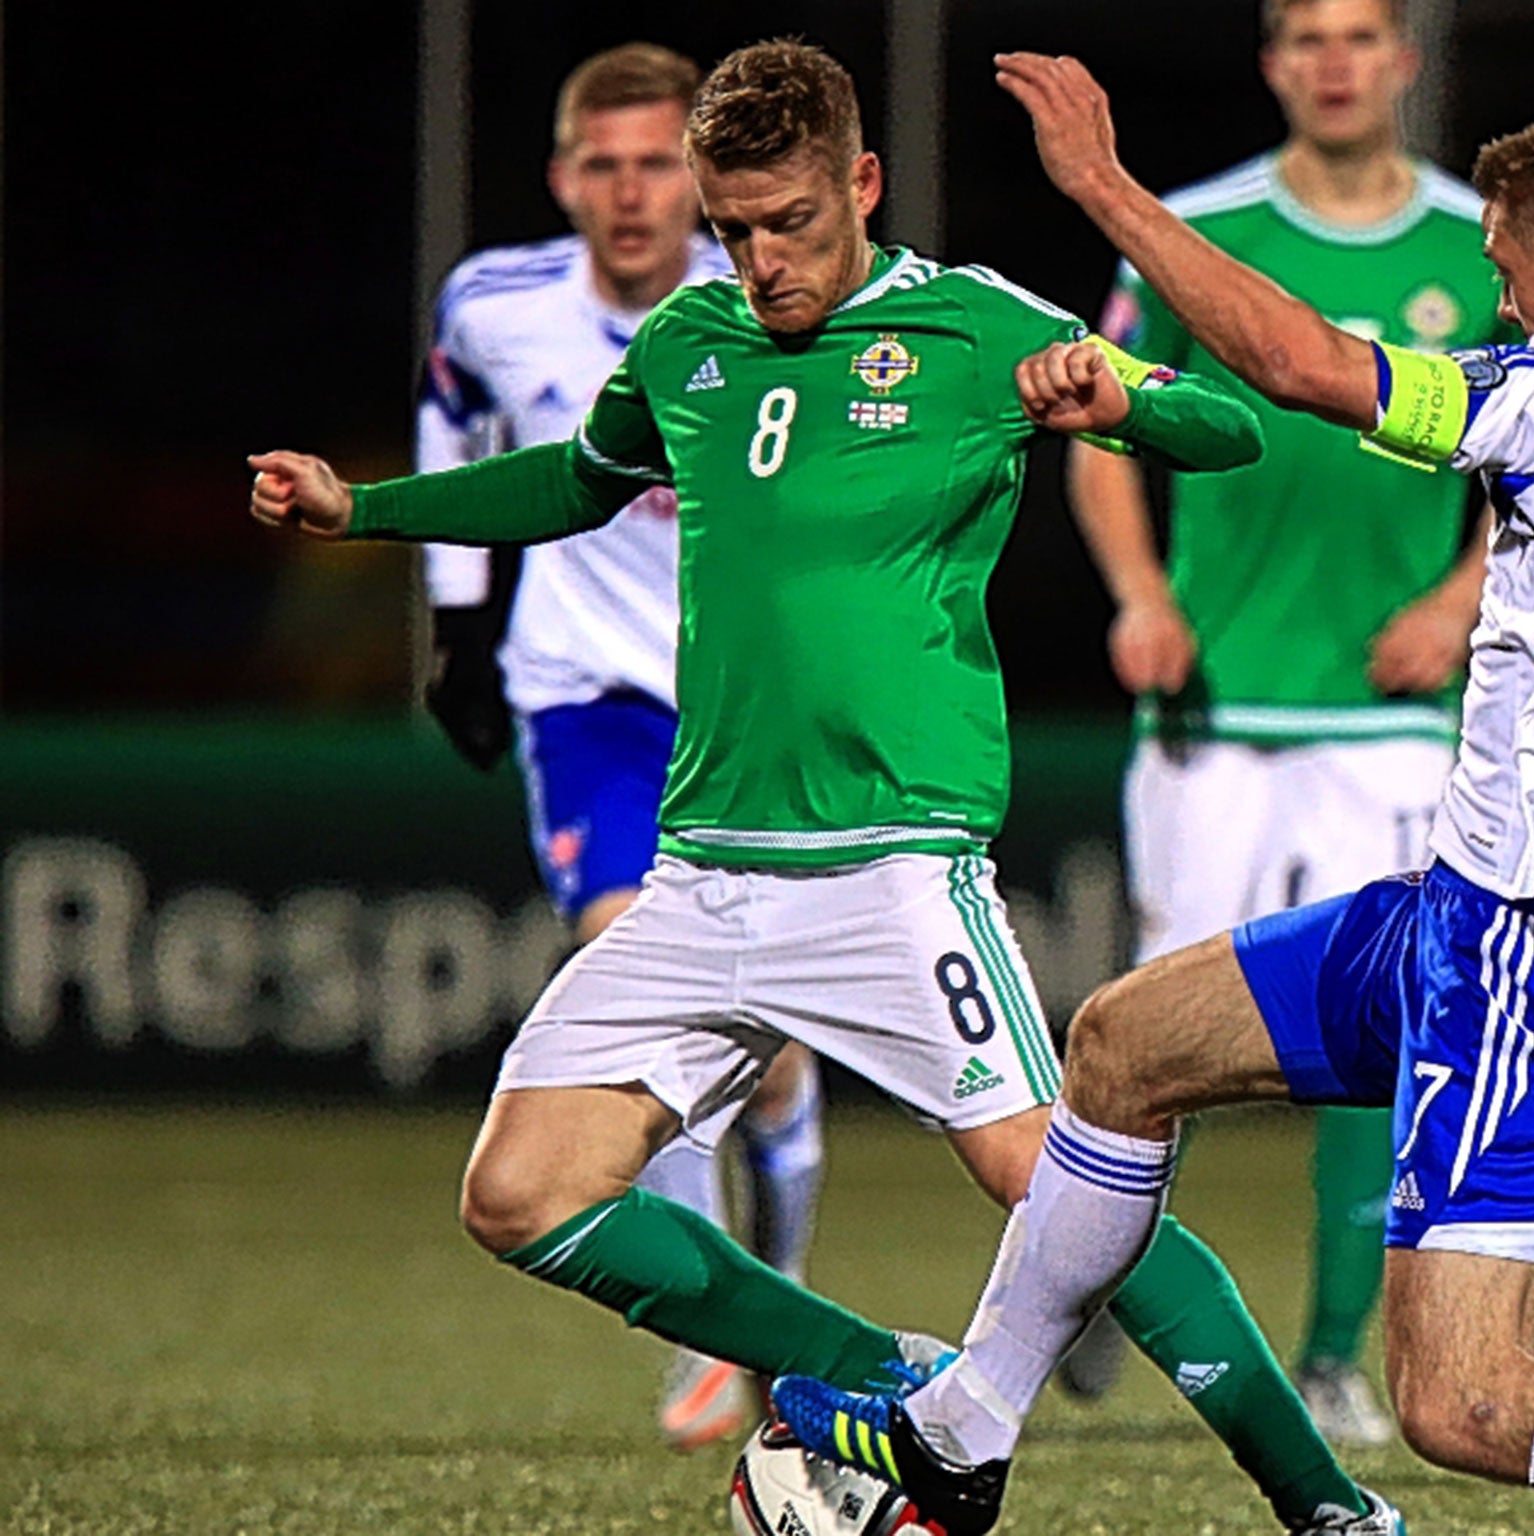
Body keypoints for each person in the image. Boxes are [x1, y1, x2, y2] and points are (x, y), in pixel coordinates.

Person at [767, 56, 1534, 1536]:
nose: (1498, 302)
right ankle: (964, 1432)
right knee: (1122, 1047)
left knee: (1462, 1401)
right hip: (1462, 913)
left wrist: (1102, 189)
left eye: (1511, 269)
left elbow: (1296, 365)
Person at [250, 39, 1404, 1536]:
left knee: (1074, 1202)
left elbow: (1231, 426)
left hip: (892, 875)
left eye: (787, 221)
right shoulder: (689, 343)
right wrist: (366, 513)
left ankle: (1326, 1505)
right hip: (703, 873)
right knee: (520, 1192)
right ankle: (883, 1375)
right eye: (730, 228)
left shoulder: (978, 327)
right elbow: (570, 483)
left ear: (861, 185)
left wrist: (1108, 400)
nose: (759, 258)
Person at [1058, 0, 1505, 1434]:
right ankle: (1088, 1292)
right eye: (1306, 35)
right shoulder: (1198, 228)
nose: (1333, 58)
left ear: (1401, 62)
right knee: (1146, 1036)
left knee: (1397, 1027)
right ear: (1272, 64)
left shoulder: (1474, 241)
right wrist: (1138, 590)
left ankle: (1329, 1353)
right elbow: (1101, 419)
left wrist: (1463, 598)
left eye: (1360, 33)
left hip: (1394, 714)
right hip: (1216, 708)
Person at [414, 41, 828, 1451]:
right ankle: (710, 1347)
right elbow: (456, 411)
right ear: (563, 178)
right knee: (631, 956)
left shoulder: (763, 310)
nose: (632, 192)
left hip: (746, 709)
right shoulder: (496, 304)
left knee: (770, 1064)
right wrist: (461, 628)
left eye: (660, 164)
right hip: (584, 698)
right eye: (606, 165)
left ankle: (778, 1297)